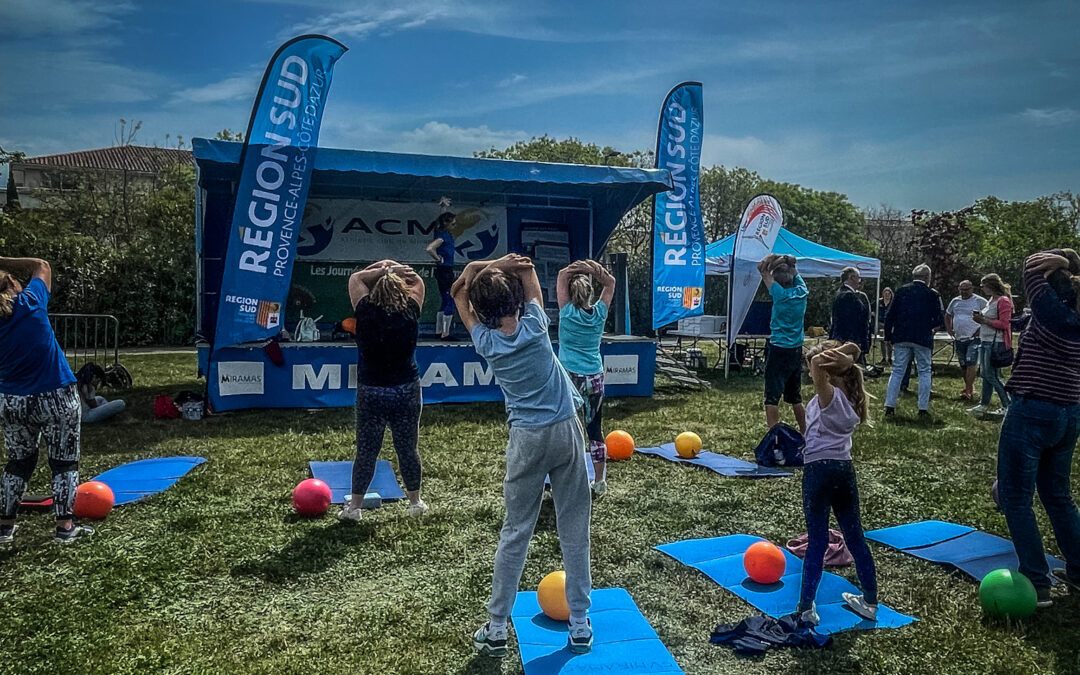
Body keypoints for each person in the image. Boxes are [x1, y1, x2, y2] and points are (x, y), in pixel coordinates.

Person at [453, 254, 592, 657]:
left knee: (515, 532)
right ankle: (580, 624)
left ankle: (497, 628)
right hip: (566, 431)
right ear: (516, 300)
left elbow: (458, 291)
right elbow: (529, 269)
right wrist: (501, 262)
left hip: (527, 440)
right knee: (574, 528)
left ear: (481, 309)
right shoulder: (535, 325)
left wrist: (482, 267)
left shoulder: (485, 340)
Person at [996, 249, 1080, 608]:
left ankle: (1036, 580)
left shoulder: (1050, 313)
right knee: (1058, 496)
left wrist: (1064, 260)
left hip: (1033, 408)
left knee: (1015, 497)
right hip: (1069, 412)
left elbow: (1030, 263)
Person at [0, 257, 94, 545]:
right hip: (56, 395)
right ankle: (65, 527)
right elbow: (41, 265)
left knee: (17, 463)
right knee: (64, 463)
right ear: (14, 285)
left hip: (12, 400)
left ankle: (4, 527)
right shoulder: (30, 303)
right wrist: (3, 260)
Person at [795, 340, 878, 625]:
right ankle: (869, 601)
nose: (810, 374)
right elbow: (854, 347)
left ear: (828, 374)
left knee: (817, 541)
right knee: (855, 537)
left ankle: (806, 608)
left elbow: (818, 364)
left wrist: (833, 359)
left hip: (819, 471)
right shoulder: (853, 399)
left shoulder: (829, 397)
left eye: (812, 370)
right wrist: (847, 356)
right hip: (843, 469)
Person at [341, 259, 429, 521]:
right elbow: (417, 281)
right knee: (407, 448)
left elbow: (356, 278)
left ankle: (355, 508)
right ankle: (416, 502)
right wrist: (396, 268)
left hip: (372, 389)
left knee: (367, 451)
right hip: (406, 389)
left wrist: (384, 268)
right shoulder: (411, 310)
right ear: (402, 290)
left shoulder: (365, 310)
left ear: (374, 291)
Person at [557, 260, 615, 496]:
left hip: (570, 376)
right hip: (595, 377)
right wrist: (594, 269)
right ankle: (599, 481)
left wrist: (576, 267)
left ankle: (563, 479)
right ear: (591, 293)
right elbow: (611, 284)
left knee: (563, 429)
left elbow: (561, 274)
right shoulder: (600, 313)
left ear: (570, 294)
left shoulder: (566, 312)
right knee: (595, 430)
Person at [883, 264, 944, 417]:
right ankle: (922, 408)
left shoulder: (902, 291)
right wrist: (929, 326)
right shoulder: (932, 294)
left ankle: (889, 405)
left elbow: (889, 315)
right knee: (924, 371)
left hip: (902, 336)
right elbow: (938, 319)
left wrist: (888, 337)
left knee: (897, 371)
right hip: (922, 337)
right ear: (927, 278)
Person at [758, 254, 809, 434]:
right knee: (795, 397)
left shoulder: (778, 293)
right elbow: (794, 270)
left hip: (779, 347)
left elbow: (762, 270)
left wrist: (772, 259)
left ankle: (774, 435)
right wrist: (787, 260)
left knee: (772, 396)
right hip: (796, 349)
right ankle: (805, 432)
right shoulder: (802, 292)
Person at [970, 273, 1013, 418]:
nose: (982, 288)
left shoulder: (1003, 301)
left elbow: (1005, 323)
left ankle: (1007, 405)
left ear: (991, 285)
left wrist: (985, 321)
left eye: (983, 285)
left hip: (996, 342)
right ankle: (984, 404)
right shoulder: (991, 300)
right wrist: (979, 320)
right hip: (985, 340)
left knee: (992, 374)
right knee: (984, 374)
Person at [944, 280, 987, 401]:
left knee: (971, 362)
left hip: (974, 338)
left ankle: (968, 391)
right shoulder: (955, 301)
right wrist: (949, 329)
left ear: (972, 289)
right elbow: (948, 315)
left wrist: (980, 330)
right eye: (961, 289)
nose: (963, 292)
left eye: (966, 289)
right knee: (963, 364)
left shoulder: (979, 301)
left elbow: (989, 316)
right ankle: (969, 387)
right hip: (959, 337)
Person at [425, 211, 458, 340]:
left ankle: (439, 331)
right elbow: (429, 248)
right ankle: (445, 333)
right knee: (449, 300)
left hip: (444, 270)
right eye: (453, 224)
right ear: (447, 224)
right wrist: (438, 258)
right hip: (444, 270)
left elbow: (441, 218)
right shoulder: (443, 236)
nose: (454, 226)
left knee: (445, 301)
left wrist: (443, 207)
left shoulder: (444, 234)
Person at [829, 267, 871, 362]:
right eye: (858, 278)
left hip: (841, 339)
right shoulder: (848, 296)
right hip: (850, 341)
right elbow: (855, 321)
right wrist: (861, 342)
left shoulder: (839, 293)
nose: (859, 281)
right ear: (852, 278)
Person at [877, 287, 894, 365]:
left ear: (891, 294)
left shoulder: (893, 302)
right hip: (880, 324)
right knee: (882, 341)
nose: (887, 295)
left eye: (888, 293)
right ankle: (884, 358)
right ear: (883, 294)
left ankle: (890, 358)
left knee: (889, 342)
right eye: (885, 293)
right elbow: (871, 309)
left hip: (890, 324)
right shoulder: (879, 302)